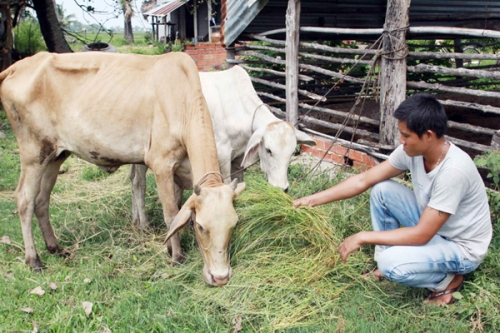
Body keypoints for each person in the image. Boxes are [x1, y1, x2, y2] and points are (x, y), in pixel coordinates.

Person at [293, 93, 492, 306]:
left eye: (406, 136)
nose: (401, 141)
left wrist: (362, 236)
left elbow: (422, 235)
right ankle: (389, 261)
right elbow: (364, 179)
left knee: (391, 264)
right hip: (437, 229)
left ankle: (448, 280)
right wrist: (311, 200)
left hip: (461, 248)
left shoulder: (453, 171)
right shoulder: (412, 152)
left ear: (428, 135)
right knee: (382, 190)